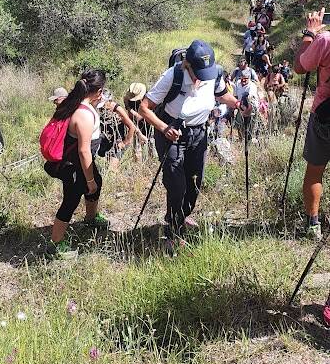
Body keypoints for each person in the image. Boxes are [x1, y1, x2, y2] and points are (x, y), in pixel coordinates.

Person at [139, 40, 246, 250]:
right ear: (187, 64)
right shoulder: (173, 76)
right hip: (171, 133)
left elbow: (221, 94)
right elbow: (144, 107)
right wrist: (164, 128)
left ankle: (181, 215)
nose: (201, 78)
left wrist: (237, 103)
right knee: (176, 184)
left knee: (195, 181)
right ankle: (173, 231)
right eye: (198, 72)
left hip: (198, 133)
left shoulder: (213, 73)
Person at [49, 68, 109, 257]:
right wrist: (89, 180)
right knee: (70, 202)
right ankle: (55, 245)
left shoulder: (76, 103)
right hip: (76, 167)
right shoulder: (83, 114)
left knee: (97, 185)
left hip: (81, 164)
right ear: (98, 91)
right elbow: (84, 150)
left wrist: (93, 181)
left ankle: (90, 219)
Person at [294, 7, 330, 247]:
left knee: (315, 172)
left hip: (325, 116)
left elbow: (300, 66)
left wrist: (310, 33)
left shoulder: (325, 41)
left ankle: (313, 224)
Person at [98, 92, 136, 169]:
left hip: (121, 139)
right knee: (108, 164)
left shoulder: (117, 109)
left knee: (112, 168)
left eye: (103, 103)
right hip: (109, 139)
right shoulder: (101, 108)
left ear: (109, 101)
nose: (102, 106)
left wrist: (124, 143)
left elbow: (132, 127)